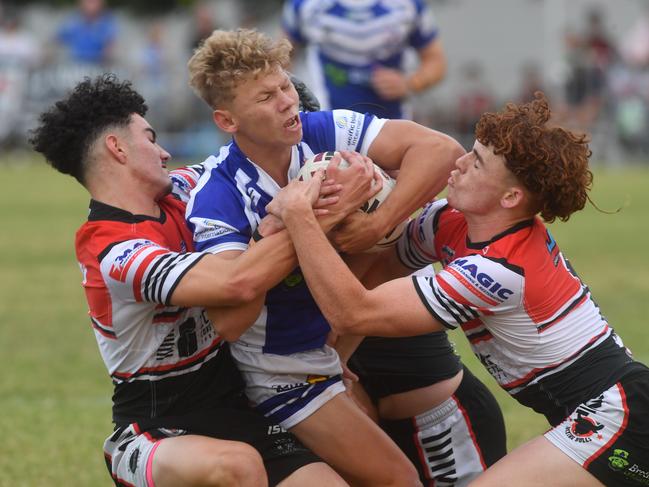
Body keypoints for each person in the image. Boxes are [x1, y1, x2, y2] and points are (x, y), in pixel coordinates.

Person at [268, 92, 649, 486]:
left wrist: (300, 218)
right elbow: (383, 269)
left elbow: (355, 310)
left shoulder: (498, 270)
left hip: (617, 413)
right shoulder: (449, 221)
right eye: (471, 151)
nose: (460, 163)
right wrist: (337, 360)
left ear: (511, 197)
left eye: (477, 163)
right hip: (597, 409)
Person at [29, 73, 375, 487]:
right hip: (153, 424)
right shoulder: (114, 250)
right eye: (150, 137)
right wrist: (321, 215)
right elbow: (236, 283)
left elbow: (243, 160)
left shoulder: (184, 190)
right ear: (116, 147)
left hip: (234, 403)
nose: (164, 151)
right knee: (237, 466)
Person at [186, 28, 462, 486]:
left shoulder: (321, 132)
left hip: (330, 346)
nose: (287, 102)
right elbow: (229, 321)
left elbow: (441, 151)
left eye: (285, 87)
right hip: (282, 369)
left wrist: (375, 223)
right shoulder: (218, 195)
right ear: (227, 121)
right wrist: (309, 221)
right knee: (399, 479)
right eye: (265, 98)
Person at [292, 70, 507, 484]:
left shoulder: (370, 210)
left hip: (444, 429)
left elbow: (349, 319)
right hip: (371, 431)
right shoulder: (276, 217)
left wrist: (376, 225)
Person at [282, 0, 446, 119]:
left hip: (392, 120)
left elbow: (436, 62)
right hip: (328, 118)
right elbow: (282, 58)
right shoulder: (304, 6)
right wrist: (291, 100)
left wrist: (410, 83)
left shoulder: (408, 6)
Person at [56, 0, 117, 65]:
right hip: (74, 65)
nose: (91, 4)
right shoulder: (72, 20)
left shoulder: (108, 22)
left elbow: (111, 46)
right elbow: (56, 40)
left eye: (94, 2)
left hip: (97, 66)